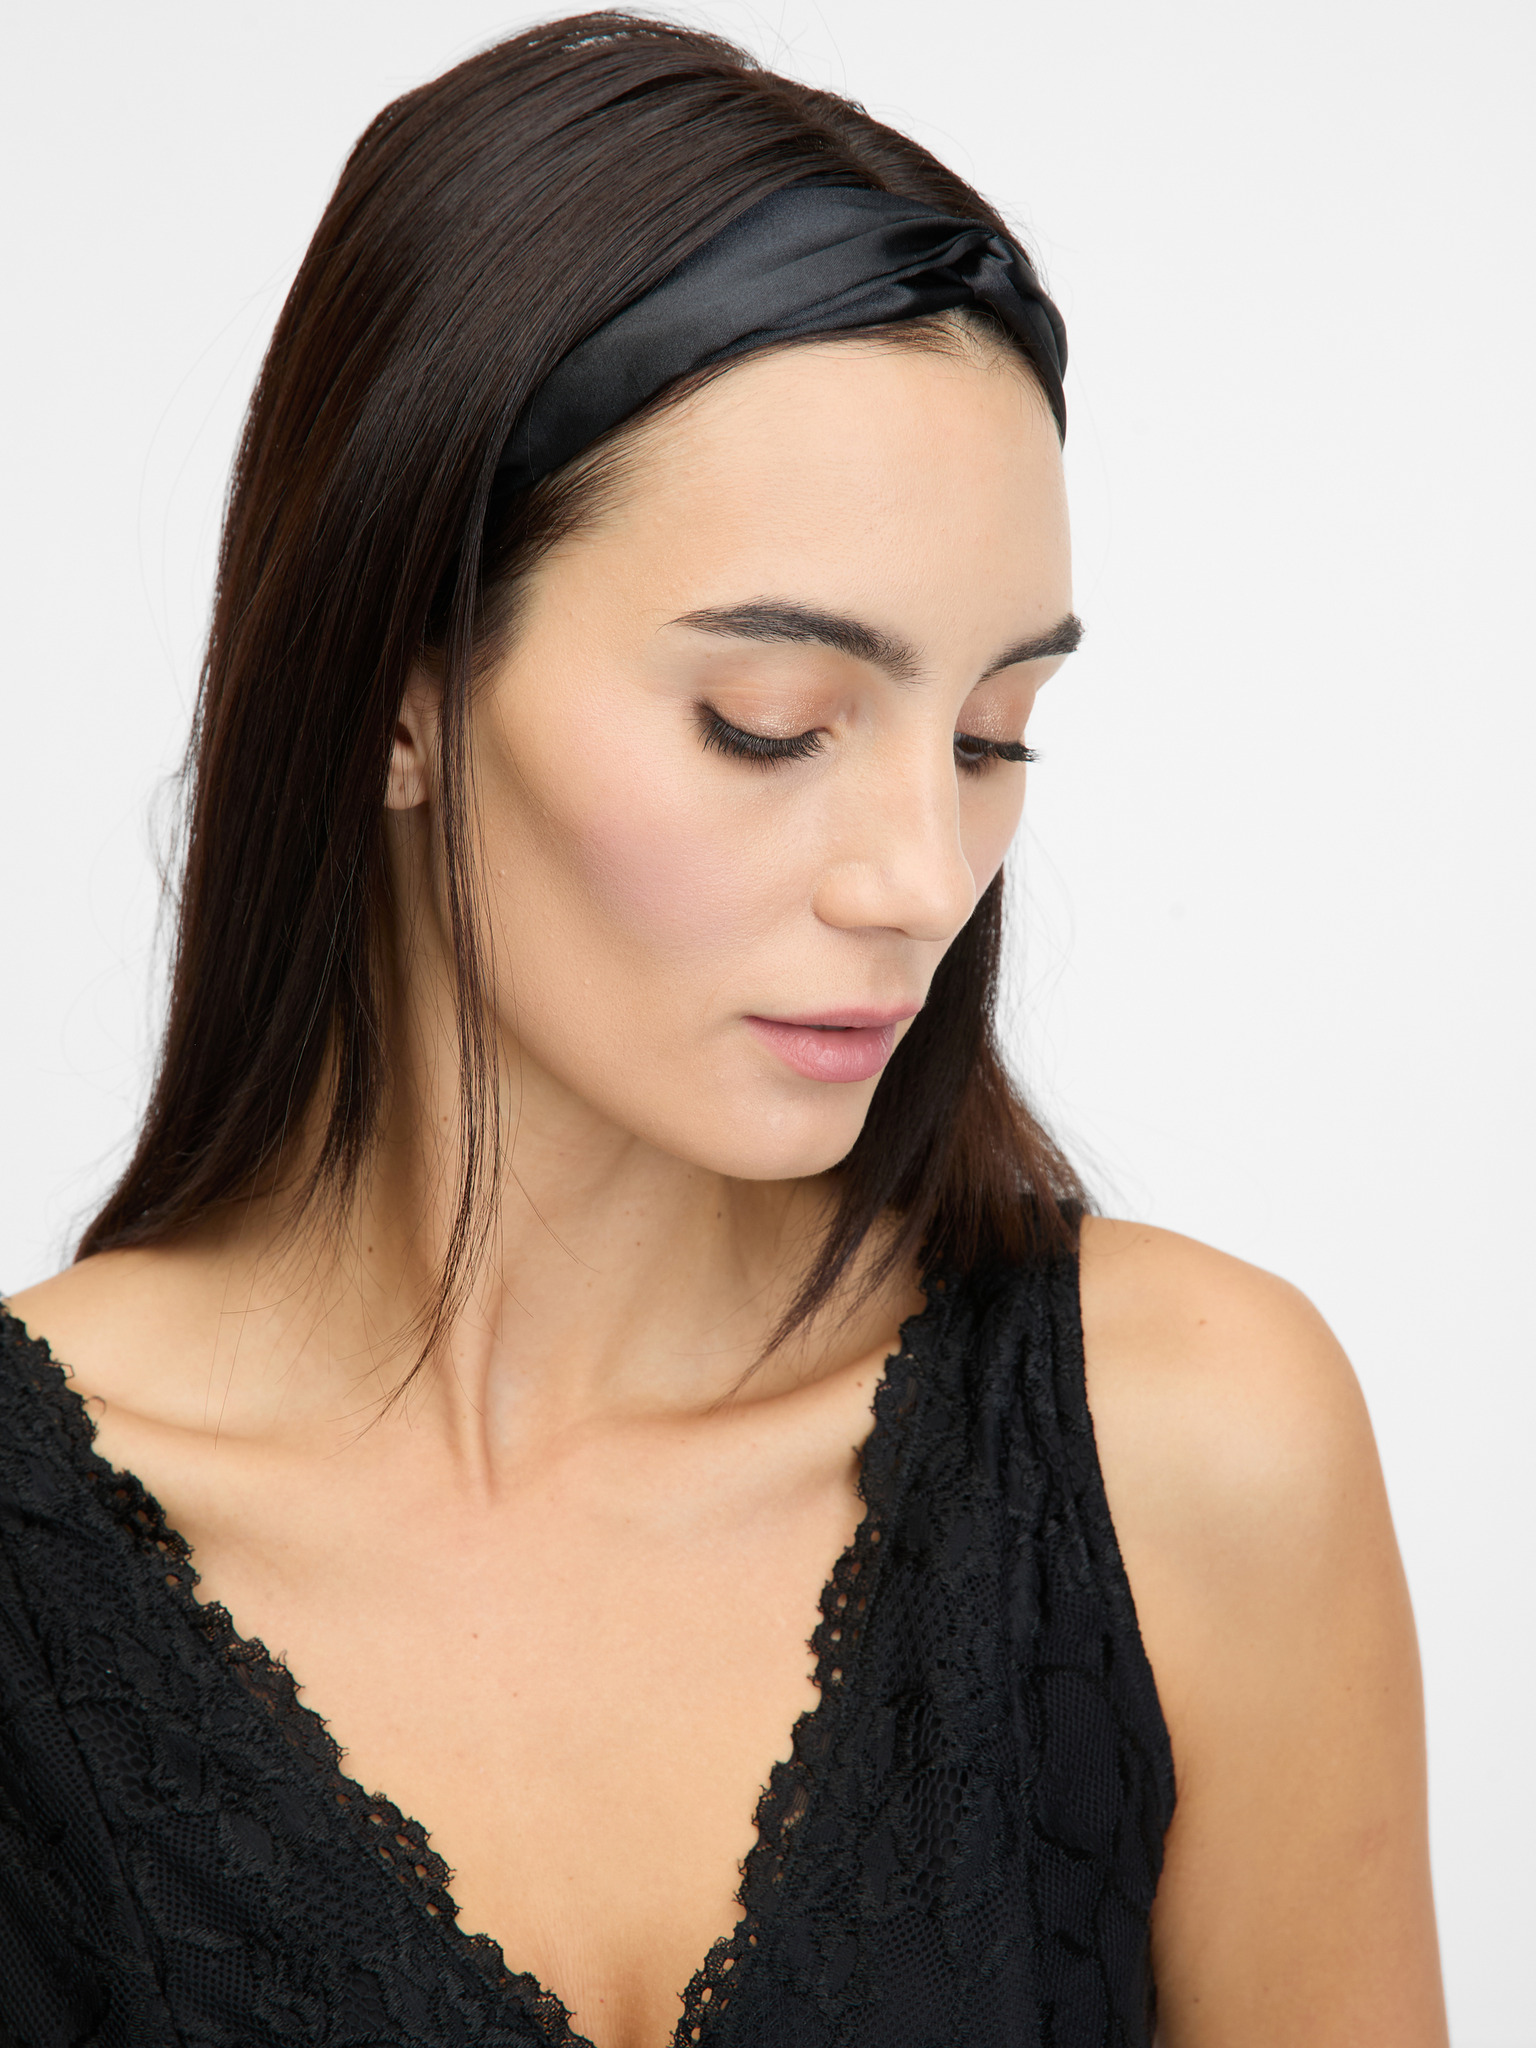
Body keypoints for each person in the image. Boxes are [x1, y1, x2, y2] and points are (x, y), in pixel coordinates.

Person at [0, 13, 1445, 2045]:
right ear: (397, 690)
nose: (922, 876)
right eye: (770, 724)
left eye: (992, 734)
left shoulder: (1196, 1452)